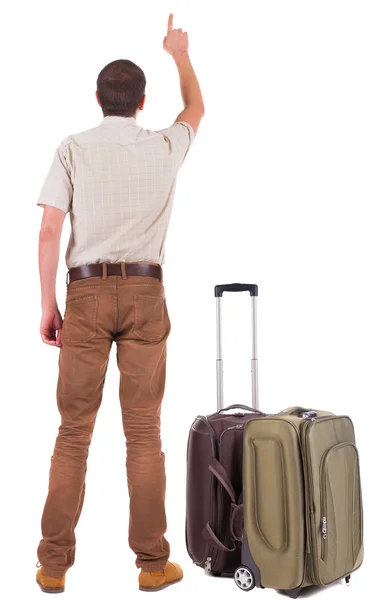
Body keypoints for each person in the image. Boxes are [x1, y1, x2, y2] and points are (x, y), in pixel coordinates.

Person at [35, 13, 204, 594]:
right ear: (140, 102)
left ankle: (53, 566)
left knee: (72, 433)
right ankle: (153, 564)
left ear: (97, 99)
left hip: (81, 293)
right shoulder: (163, 146)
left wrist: (48, 305)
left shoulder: (72, 148)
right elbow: (195, 112)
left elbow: (49, 231)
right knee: (144, 434)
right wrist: (179, 53)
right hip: (144, 293)